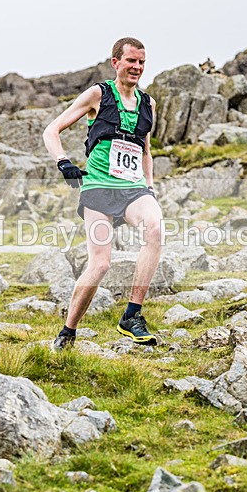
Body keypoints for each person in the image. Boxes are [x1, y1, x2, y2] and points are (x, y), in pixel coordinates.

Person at [43, 37, 162, 350]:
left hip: (133, 189)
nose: (136, 67)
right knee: (100, 264)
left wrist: (149, 185)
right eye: (131, 62)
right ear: (116, 63)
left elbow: (146, 151)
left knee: (155, 227)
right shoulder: (99, 94)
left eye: (141, 63)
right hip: (98, 187)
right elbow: (51, 130)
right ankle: (68, 331)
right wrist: (63, 162)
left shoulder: (148, 104)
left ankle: (132, 315)